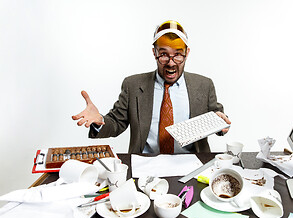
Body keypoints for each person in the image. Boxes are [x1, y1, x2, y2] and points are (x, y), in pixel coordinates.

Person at [72, 20, 231, 154]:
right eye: (163, 54)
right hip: (146, 164)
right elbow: (116, 123)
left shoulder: (204, 85)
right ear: (154, 53)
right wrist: (99, 121)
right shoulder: (133, 85)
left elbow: (216, 116)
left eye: (178, 54)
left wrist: (221, 123)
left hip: (191, 163)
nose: (171, 62)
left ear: (187, 53)